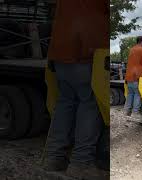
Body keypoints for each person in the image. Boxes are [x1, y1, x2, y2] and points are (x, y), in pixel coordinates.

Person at [43, 0, 108, 179]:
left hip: (60, 51)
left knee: (65, 102)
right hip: (85, 50)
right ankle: (81, 163)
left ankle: (54, 158)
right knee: (90, 103)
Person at [124, 36, 142, 120]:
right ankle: (135, 113)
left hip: (129, 77)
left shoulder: (132, 50)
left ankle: (127, 111)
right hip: (137, 77)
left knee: (130, 94)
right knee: (138, 94)